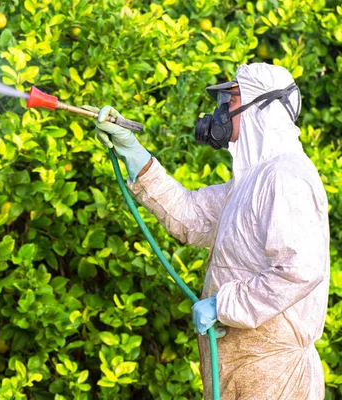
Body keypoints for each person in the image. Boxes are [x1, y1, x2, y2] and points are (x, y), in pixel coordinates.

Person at [90, 63, 330, 399]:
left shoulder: (285, 176)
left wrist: (223, 305)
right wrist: (134, 154)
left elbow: (299, 272)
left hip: (276, 375)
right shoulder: (250, 182)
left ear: (260, 109)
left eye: (231, 103)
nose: (221, 113)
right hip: (245, 367)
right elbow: (191, 216)